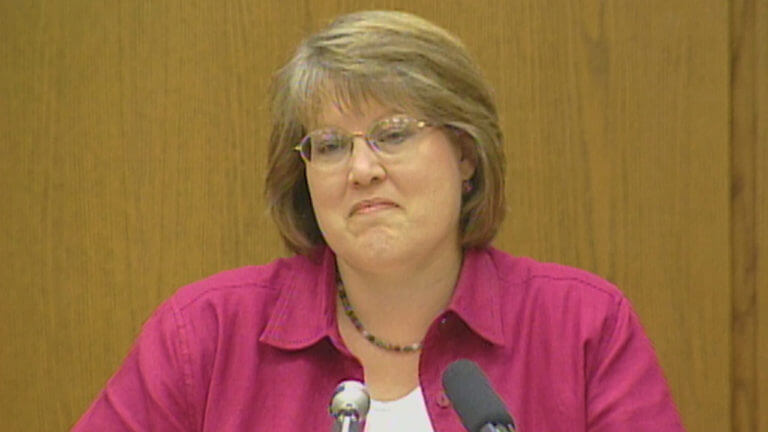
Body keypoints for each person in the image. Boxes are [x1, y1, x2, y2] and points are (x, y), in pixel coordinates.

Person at [73, 10, 684, 431]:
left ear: (466, 154)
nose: (362, 169)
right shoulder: (204, 336)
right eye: (332, 145)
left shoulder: (583, 328)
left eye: (393, 134)